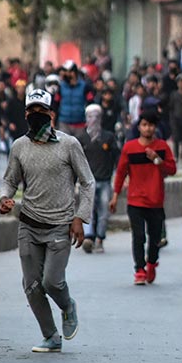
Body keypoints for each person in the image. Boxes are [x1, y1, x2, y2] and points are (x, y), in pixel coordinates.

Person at [0, 88, 93, 352]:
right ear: (25, 113)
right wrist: (4, 198)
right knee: (31, 285)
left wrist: (80, 217)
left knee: (52, 282)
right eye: (31, 111)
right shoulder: (19, 146)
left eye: (42, 110)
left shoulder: (69, 145)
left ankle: (67, 305)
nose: (36, 115)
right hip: (29, 224)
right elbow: (10, 180)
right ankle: (50, 335)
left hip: (60, 226)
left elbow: (87, 182)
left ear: (51, 114)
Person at [111, 111, 177, 285]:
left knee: (155, 237)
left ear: (155, 127)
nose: (148, 128)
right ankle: (139, 269)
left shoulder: (162, 147)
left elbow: (172, 170)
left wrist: (157, 160)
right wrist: (115, 196)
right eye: (144, 125)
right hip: (135, 200)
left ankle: (152, 262)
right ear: (139, 127)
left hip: (155, 200)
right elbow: (121, 172)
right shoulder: (129, 147)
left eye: (151, 125)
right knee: (138, 236)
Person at [81, 104, 119, 253]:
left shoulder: (108, 137)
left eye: (96, 116)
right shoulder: (81, 139)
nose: (93, 119)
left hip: (104, 179)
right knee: (87, 210)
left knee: (103, 210)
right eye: (90, 116)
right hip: (87, 181)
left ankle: (100, 238)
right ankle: (88, 237)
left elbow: (117, 157)